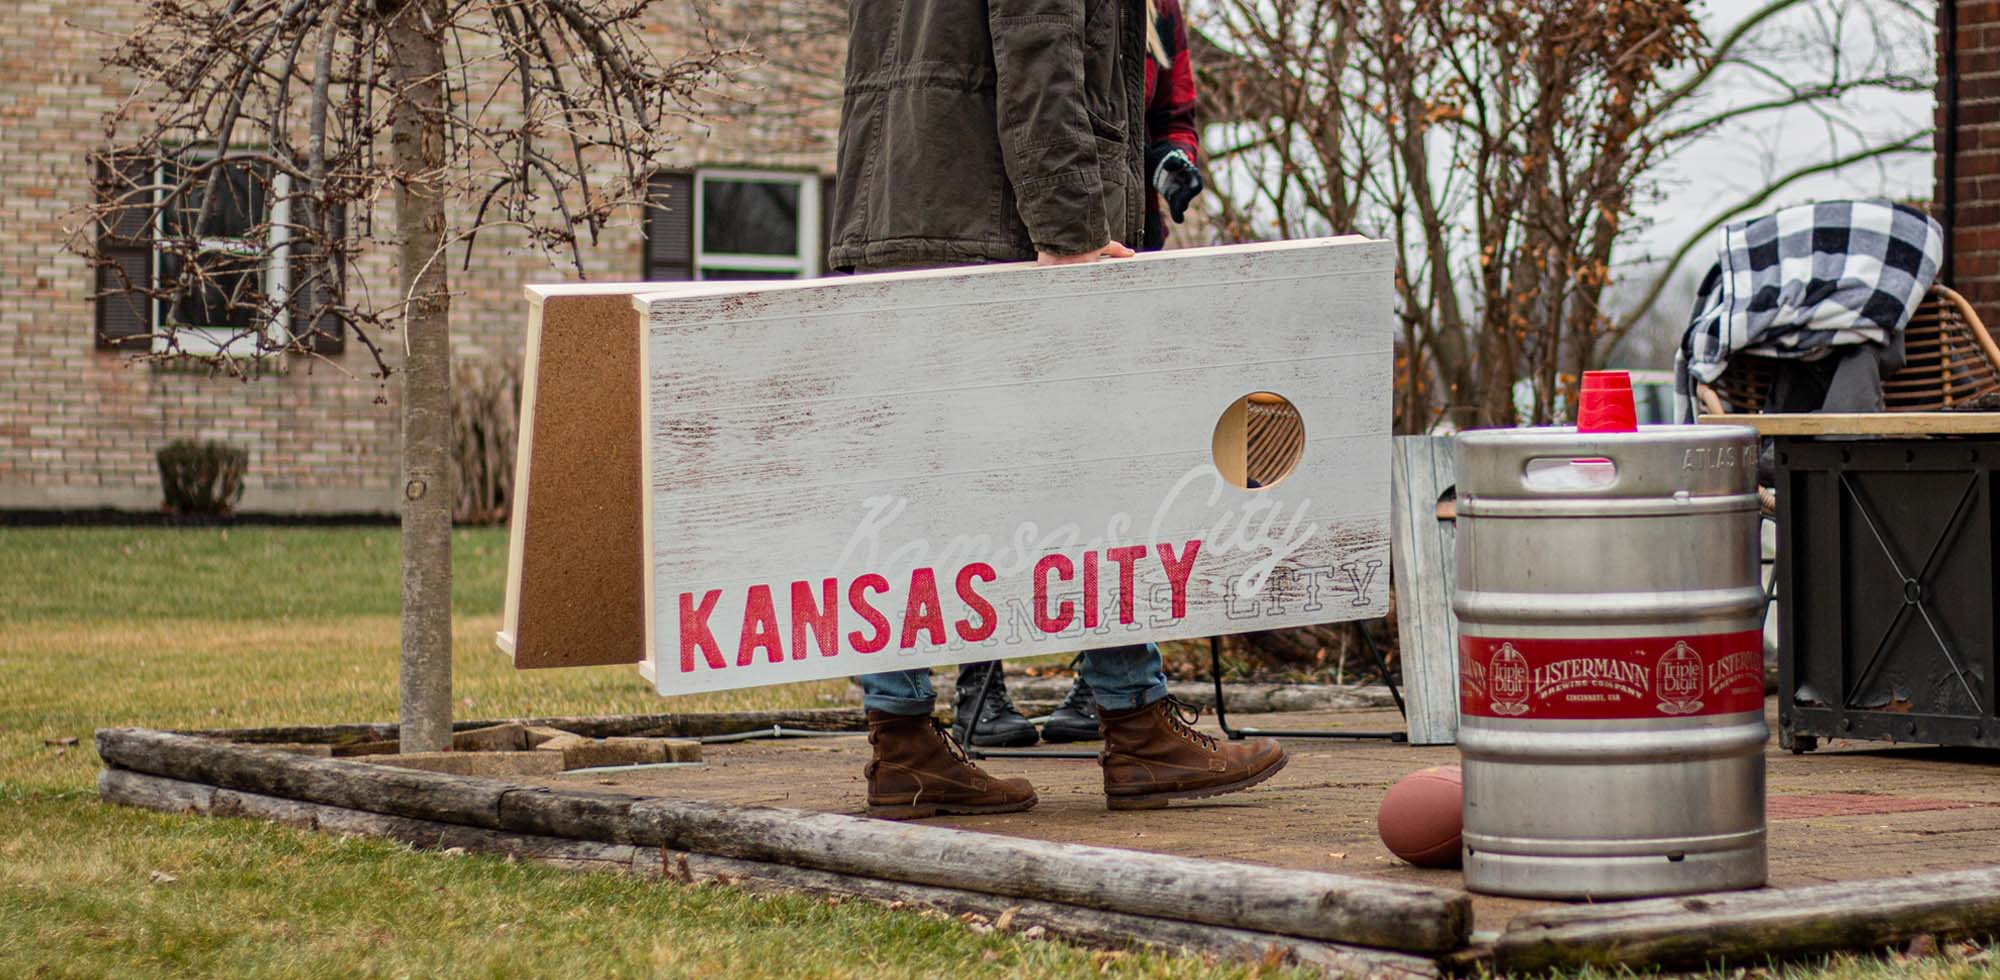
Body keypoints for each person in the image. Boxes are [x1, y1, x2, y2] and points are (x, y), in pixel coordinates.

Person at [827, 0, 1281, 819]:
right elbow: (1039, 51)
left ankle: (903, 743)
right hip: (998, 224)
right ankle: (1136, 725)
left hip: (905, 207)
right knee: (1096, 471)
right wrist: (1071, 225)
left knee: (905, 498)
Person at [947, 0, 1210, 749]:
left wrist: (1174, 159)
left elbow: (1175, 111)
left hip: (1126, 249)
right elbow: (1034, 83)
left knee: (1111, 477)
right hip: (1042, 244)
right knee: (997, 471)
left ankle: (1101, 688)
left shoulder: (1161, 14)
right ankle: (980, 688)